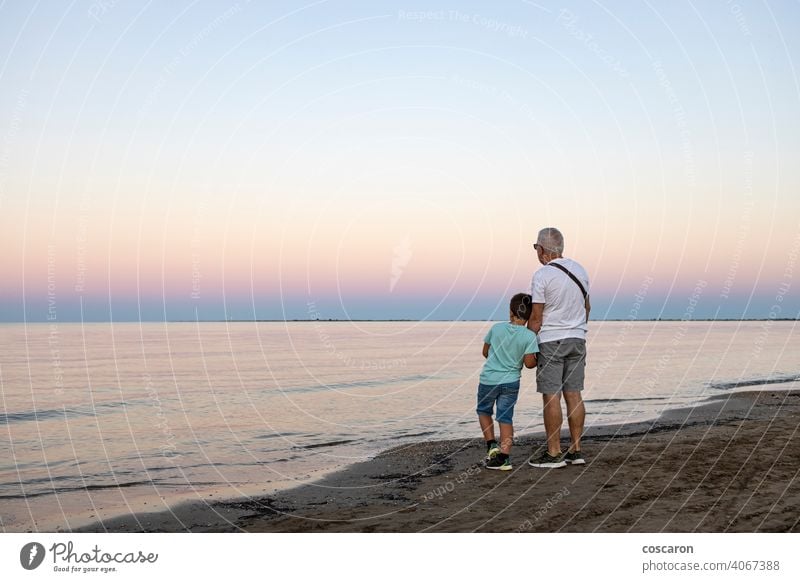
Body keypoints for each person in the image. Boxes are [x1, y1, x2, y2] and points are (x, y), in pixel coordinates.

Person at [527, 227, 590, 469]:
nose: (536, 252)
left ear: (542, 250)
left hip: (552, 340)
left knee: (551, 395)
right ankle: (576, 450)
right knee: (574, 394)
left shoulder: (542, 275)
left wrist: (525, 345)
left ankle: (554, 453)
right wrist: (577, 329)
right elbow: (587, 308)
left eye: (536, 248)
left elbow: (536, 318)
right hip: (578, 339)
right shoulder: (581, 270)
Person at [477, 293, 539, 471]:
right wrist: (538, 358)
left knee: (483, 411)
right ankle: (504, 458)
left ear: (511, 311)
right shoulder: (529, 336)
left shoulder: (496, 329)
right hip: (511, 381)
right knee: (505, 418)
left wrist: (498, 358)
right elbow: (529, 364)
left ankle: (491, 445)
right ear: (529, 315)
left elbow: (485, 352)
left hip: (488, 379)